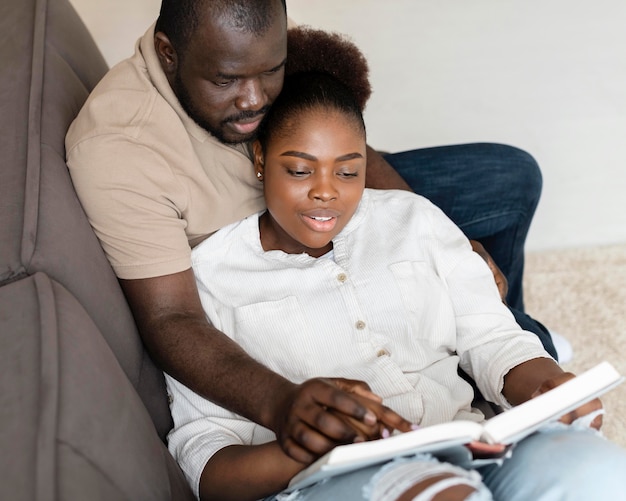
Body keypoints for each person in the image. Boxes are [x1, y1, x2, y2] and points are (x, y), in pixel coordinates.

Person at [66, 0, 562, 462]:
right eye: (227, 81)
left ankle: (486, 340)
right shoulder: (118, 149)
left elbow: (339, 134)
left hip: (334, 201)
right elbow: (172, 316)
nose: (255, 99)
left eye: (271, 72)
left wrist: (444, 250)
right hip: (270, 254)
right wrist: (282, 405)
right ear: (168, 53)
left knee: (511, 182)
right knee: (535, 345)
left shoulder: (246, 38)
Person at [165, 28, 626, 501]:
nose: (327, 191)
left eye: (348, 171)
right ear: (260, 158)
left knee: (595, 469)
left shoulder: (413, 221)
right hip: (332, 481)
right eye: (301, 170)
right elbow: (204, 455)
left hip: (471, 444)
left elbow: (493, 338)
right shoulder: (212, 277)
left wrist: (544, 385)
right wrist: (309, 444)